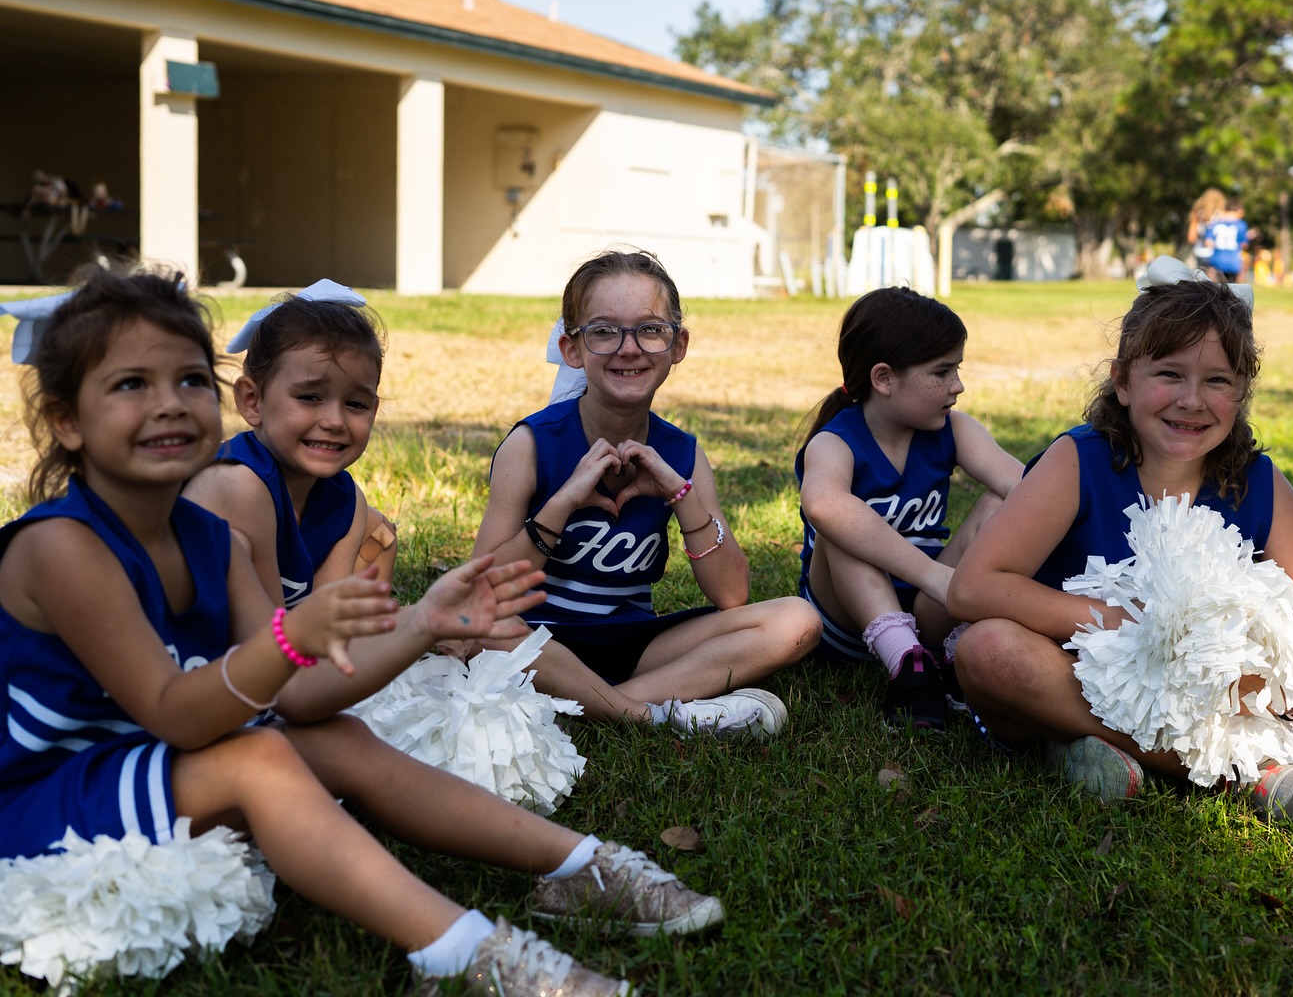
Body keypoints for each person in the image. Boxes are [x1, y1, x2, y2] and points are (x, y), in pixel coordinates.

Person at [0, 268, 725, 997]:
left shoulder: (204, 537)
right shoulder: (65, 547)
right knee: (260, 760)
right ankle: (463, 955)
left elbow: (300, 698)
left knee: (337, 737)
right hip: (48, 790)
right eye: (131, 385)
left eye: (190, 381)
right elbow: (175, 712)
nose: (169, 406)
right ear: (66, 420)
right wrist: (290, 639)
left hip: (146, 759)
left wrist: (422, 622)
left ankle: (581, 867)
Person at [947, 256, 1293, 833]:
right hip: (1082, 677)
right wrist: (1124, 624)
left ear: (1243, 391)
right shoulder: (1079, 461)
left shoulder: (1257, 482)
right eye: (1169, 374)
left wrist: (1264, 681)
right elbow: (973, 588)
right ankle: (1250, 774)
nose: (1192, 401)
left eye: (1217, 381)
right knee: (987, 651)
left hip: (1225, 703)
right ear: (1122, 381)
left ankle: (1100, 751)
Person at [471, 248, 821, 736]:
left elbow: (732, 593)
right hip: (536, 638)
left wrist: (682, 494)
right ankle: (648, 714)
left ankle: (586, 705)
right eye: (604, 331)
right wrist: (563, 504)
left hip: (634, 643)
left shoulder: (682, 453)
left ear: (677, 345)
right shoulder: (531, 444)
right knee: (479, 633)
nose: (628, 347)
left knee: (797, 620)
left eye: (650, 329)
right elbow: (477, 595)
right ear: (572, 349)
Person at [795, 287, 1021, 730]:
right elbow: (822, 504)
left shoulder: (954, 429)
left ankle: (949, 655)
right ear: (883, 378)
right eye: (942, 371)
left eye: (957, 368)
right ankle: (906, 661)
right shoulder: (834, 442)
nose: (958, 385)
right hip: (843, 621)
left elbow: (1029, 492)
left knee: (1001, 506)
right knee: (842, 520)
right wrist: (936, 577)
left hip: (928, 610)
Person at [183, 279, 396, 610]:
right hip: (192, 650)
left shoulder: (347, 501)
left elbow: (325, 622)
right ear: (253, 401)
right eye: (310, 397)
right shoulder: (237, 484)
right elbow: (270, 641)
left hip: (278, 643)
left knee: (380, 533)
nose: (335, 421)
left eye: (356, 404)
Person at [1202, 195, 1255, 283]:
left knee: (1214, 291)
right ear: (1239, 211)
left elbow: (1208, 242)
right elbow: (1244, 245)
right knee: (1231, 292)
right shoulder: (1241, 224)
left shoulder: (1215, 222)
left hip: (1216, 261)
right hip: (1233, 262)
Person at [1185, 187, 1226, 269]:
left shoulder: (1197, 214)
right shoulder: (1223, 215)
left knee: (1202, 279)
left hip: (1200, 253)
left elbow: (1191, 238)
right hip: (1218, 254)